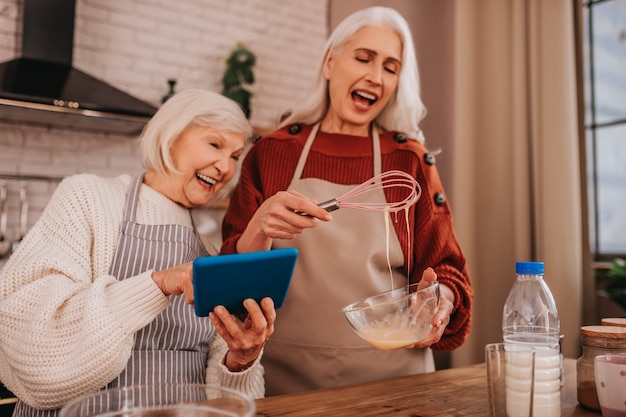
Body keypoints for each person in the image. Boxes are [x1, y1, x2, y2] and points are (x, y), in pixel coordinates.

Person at [220, 6, 474, 396]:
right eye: (364, 58)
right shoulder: (272, 153)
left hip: (394, 379)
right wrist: (258, 227)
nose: (376, 76)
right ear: (330, 61)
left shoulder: (409, 161)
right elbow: (229, 286)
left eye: (391, 67)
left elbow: (449, 270)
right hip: (285, 379)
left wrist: (441, 297)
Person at [0, 89, 275, 416]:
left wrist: (240, 360)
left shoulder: (209, 248)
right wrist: (157, 284)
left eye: (235, 155)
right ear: (170, 138)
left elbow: (226, 399)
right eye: (215, 145)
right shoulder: (87, 197)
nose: (225, 167)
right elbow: (27, 331)